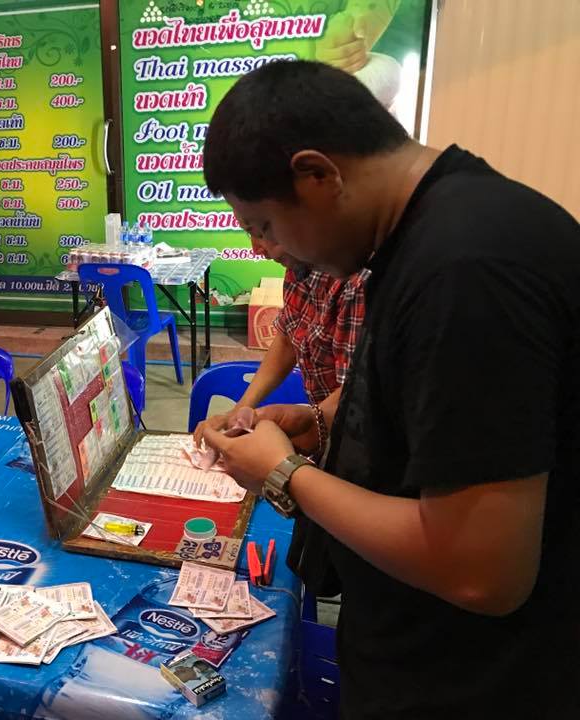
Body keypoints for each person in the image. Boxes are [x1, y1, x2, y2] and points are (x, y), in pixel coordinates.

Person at [201, 60, 579, 718]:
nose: (266, 248)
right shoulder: (430, 234)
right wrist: (321, 422)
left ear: (317, 176)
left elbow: (480, 570)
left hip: (475, 685)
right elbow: (429, 407)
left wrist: (284, 474)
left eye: (263, 225)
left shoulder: (467, 269)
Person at [193, 262, 366, 446]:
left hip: (356, 436)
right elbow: (287, 339)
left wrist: (311, 430)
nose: (258, 250)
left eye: (264, 235)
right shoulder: (297, 266)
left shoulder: (358, 285)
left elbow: (356, 391)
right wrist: (239, 410)